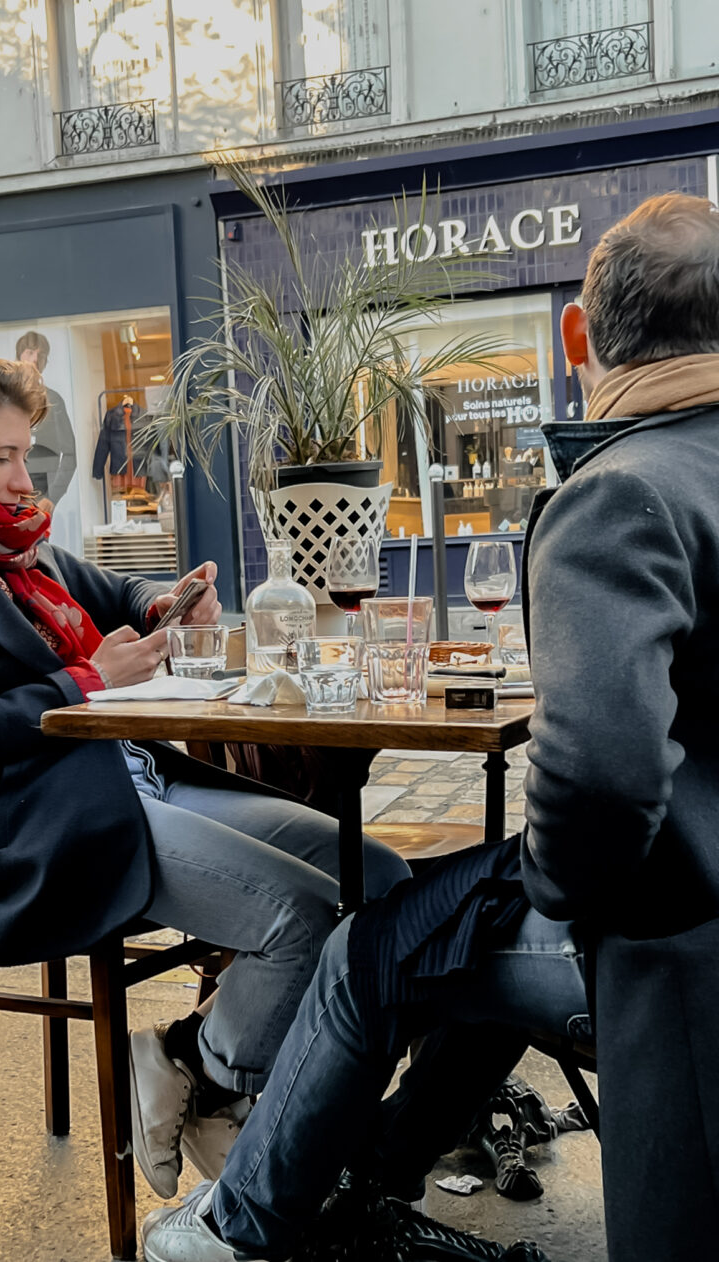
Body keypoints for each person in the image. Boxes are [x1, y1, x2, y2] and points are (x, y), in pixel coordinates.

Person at [141, 192, 719, 1262]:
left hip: (671, 936)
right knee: (436, 918)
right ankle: (369, 1176)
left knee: (375, 939)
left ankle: (237, 1227)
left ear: (576, 336)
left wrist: (553, 898)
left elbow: (598, 781)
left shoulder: (620, 489)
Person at [0, 347, 409, 1203]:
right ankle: (222, 1078)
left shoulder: (19, 550)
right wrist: (86, 681)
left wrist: (160, 600)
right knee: (298, 917)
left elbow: (116, 587)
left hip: (139, 776)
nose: (24, 475)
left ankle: (195, 1060)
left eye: (26, 453)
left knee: (387, 880)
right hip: (49, 817)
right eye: (1, 456)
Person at [15, 330, 77, 511]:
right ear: (19, 355)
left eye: (41, 355)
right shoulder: (4, 399)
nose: (35, 359)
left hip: (41, 494)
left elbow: (70, 454)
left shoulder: (53, 400)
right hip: (9, 494)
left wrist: (52, 498)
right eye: (30, 352)